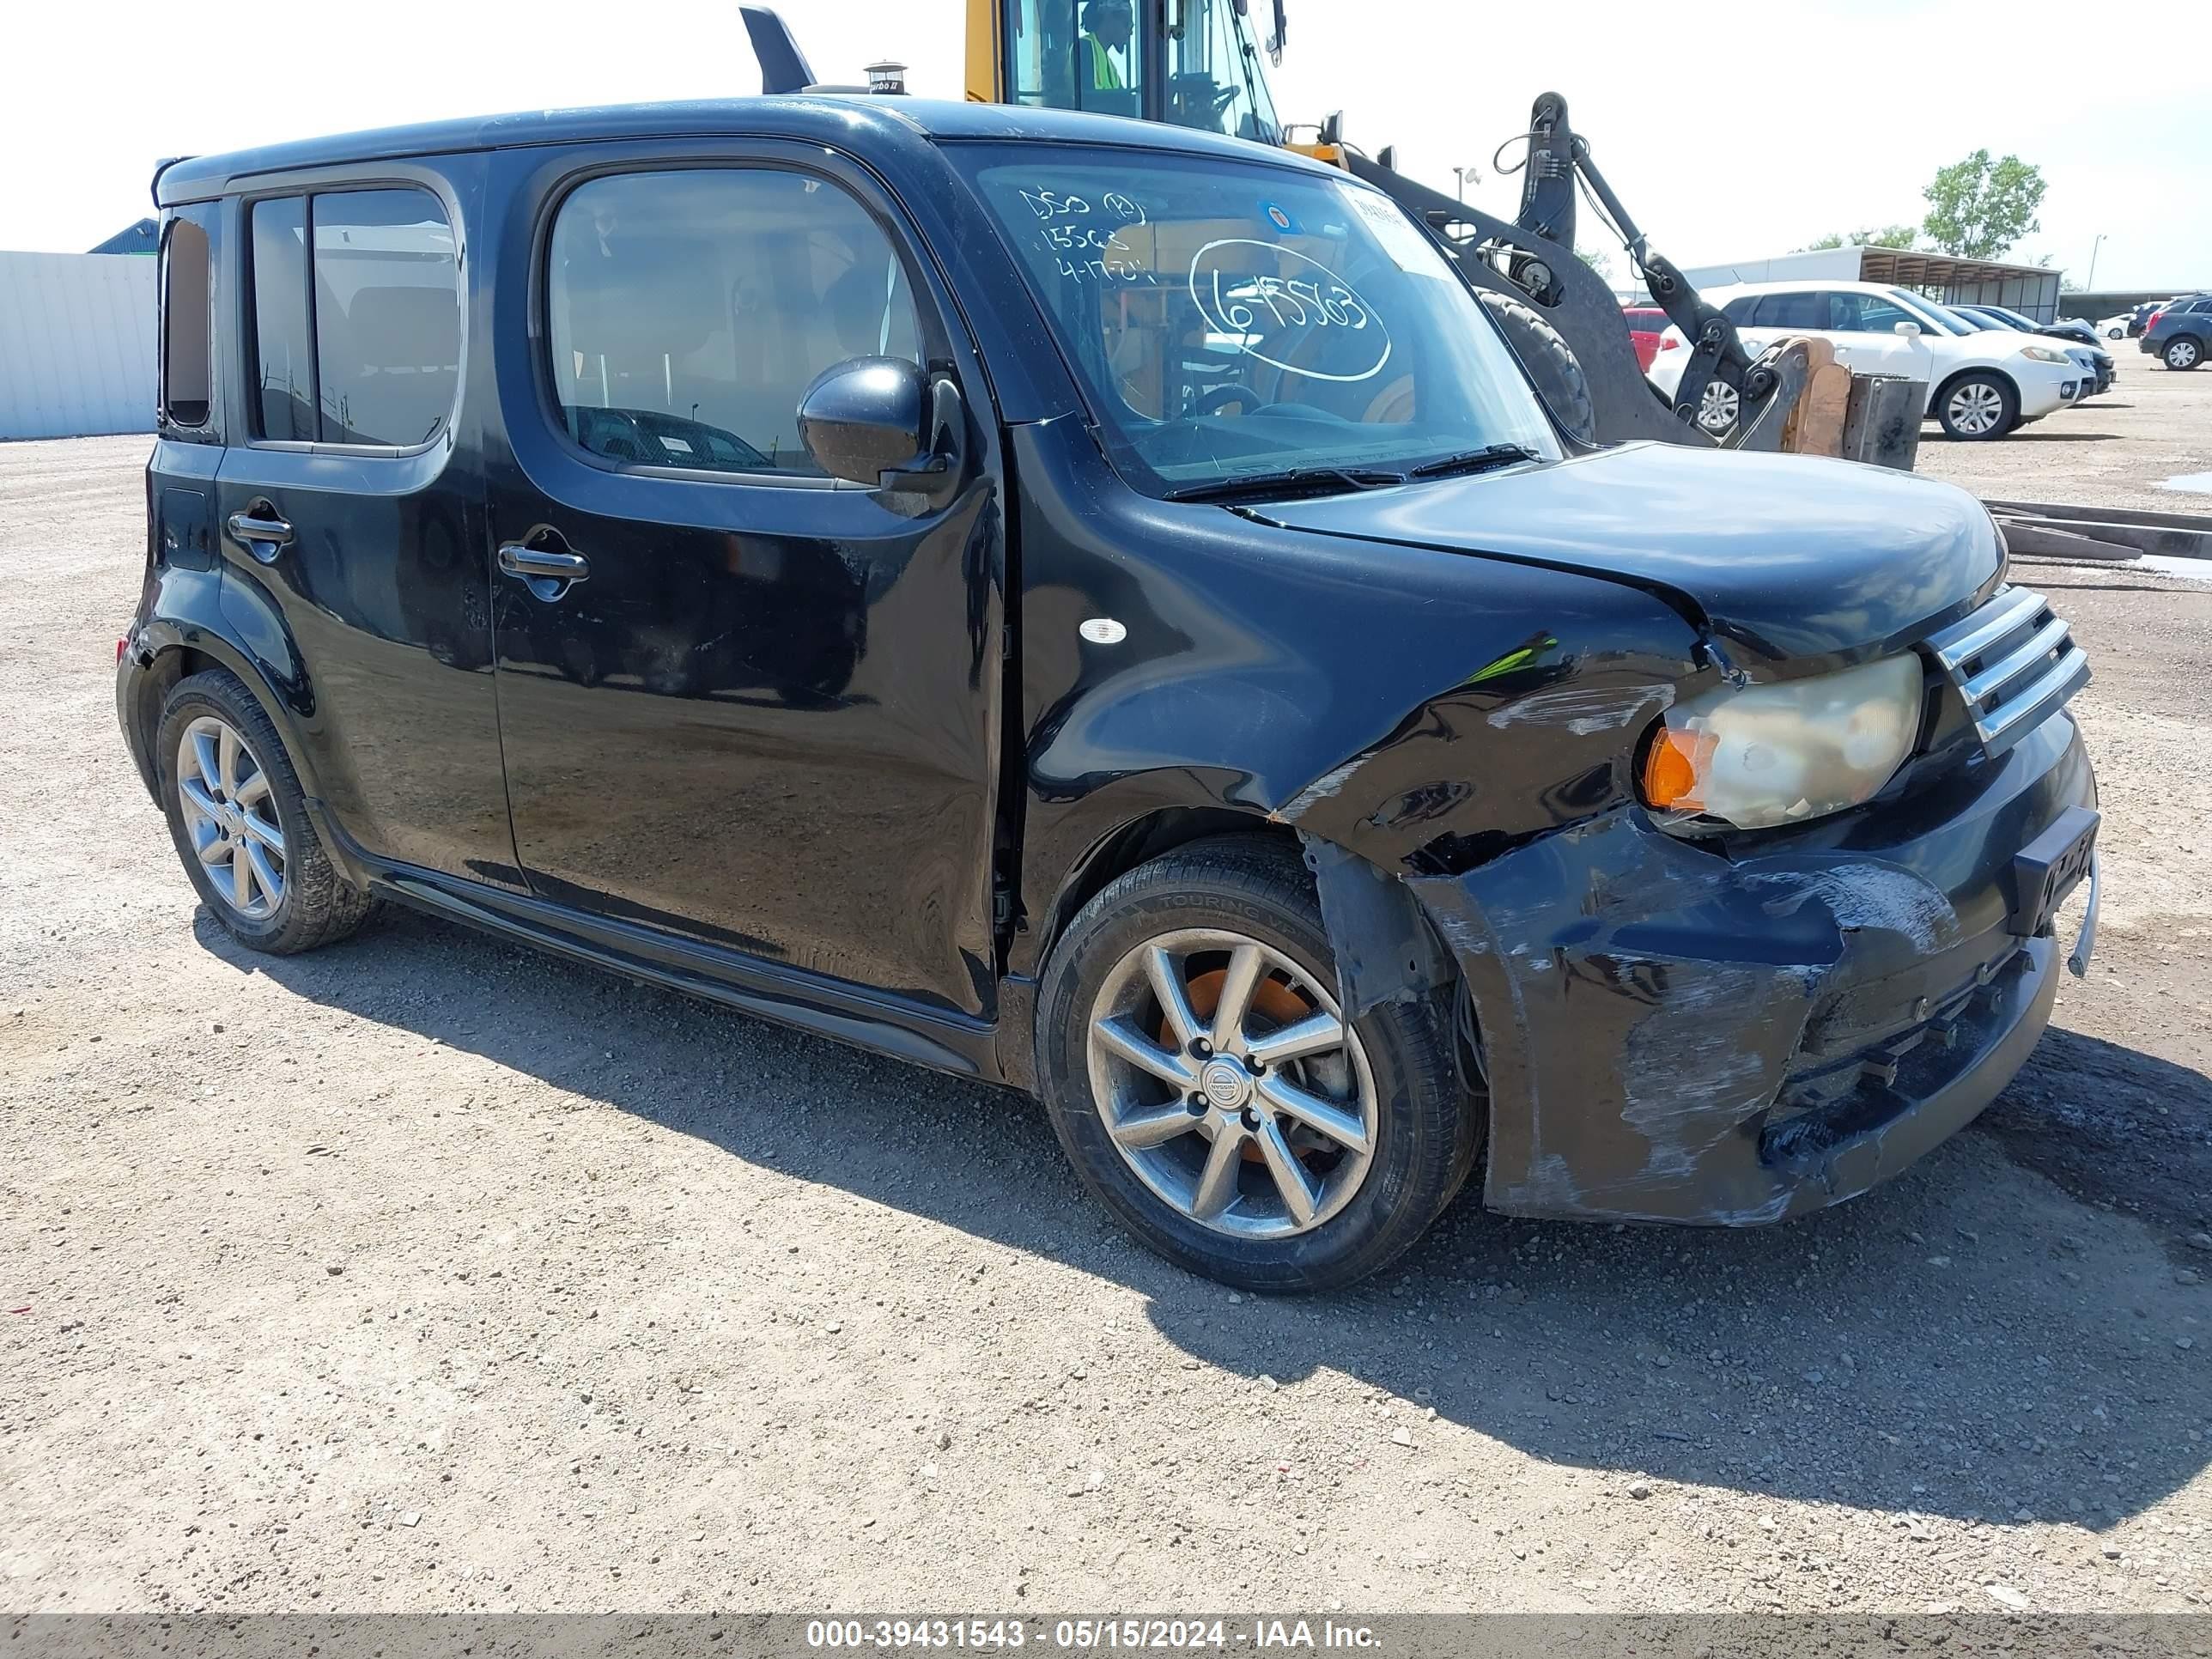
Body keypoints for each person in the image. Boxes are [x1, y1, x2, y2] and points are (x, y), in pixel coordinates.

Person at [1080, 0, 1132, 93]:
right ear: (1108, 19)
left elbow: (1123, 100)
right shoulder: (1084, 47)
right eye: (1126, 24)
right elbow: (1088, 100)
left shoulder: (1112, 70)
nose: (1130, 32)